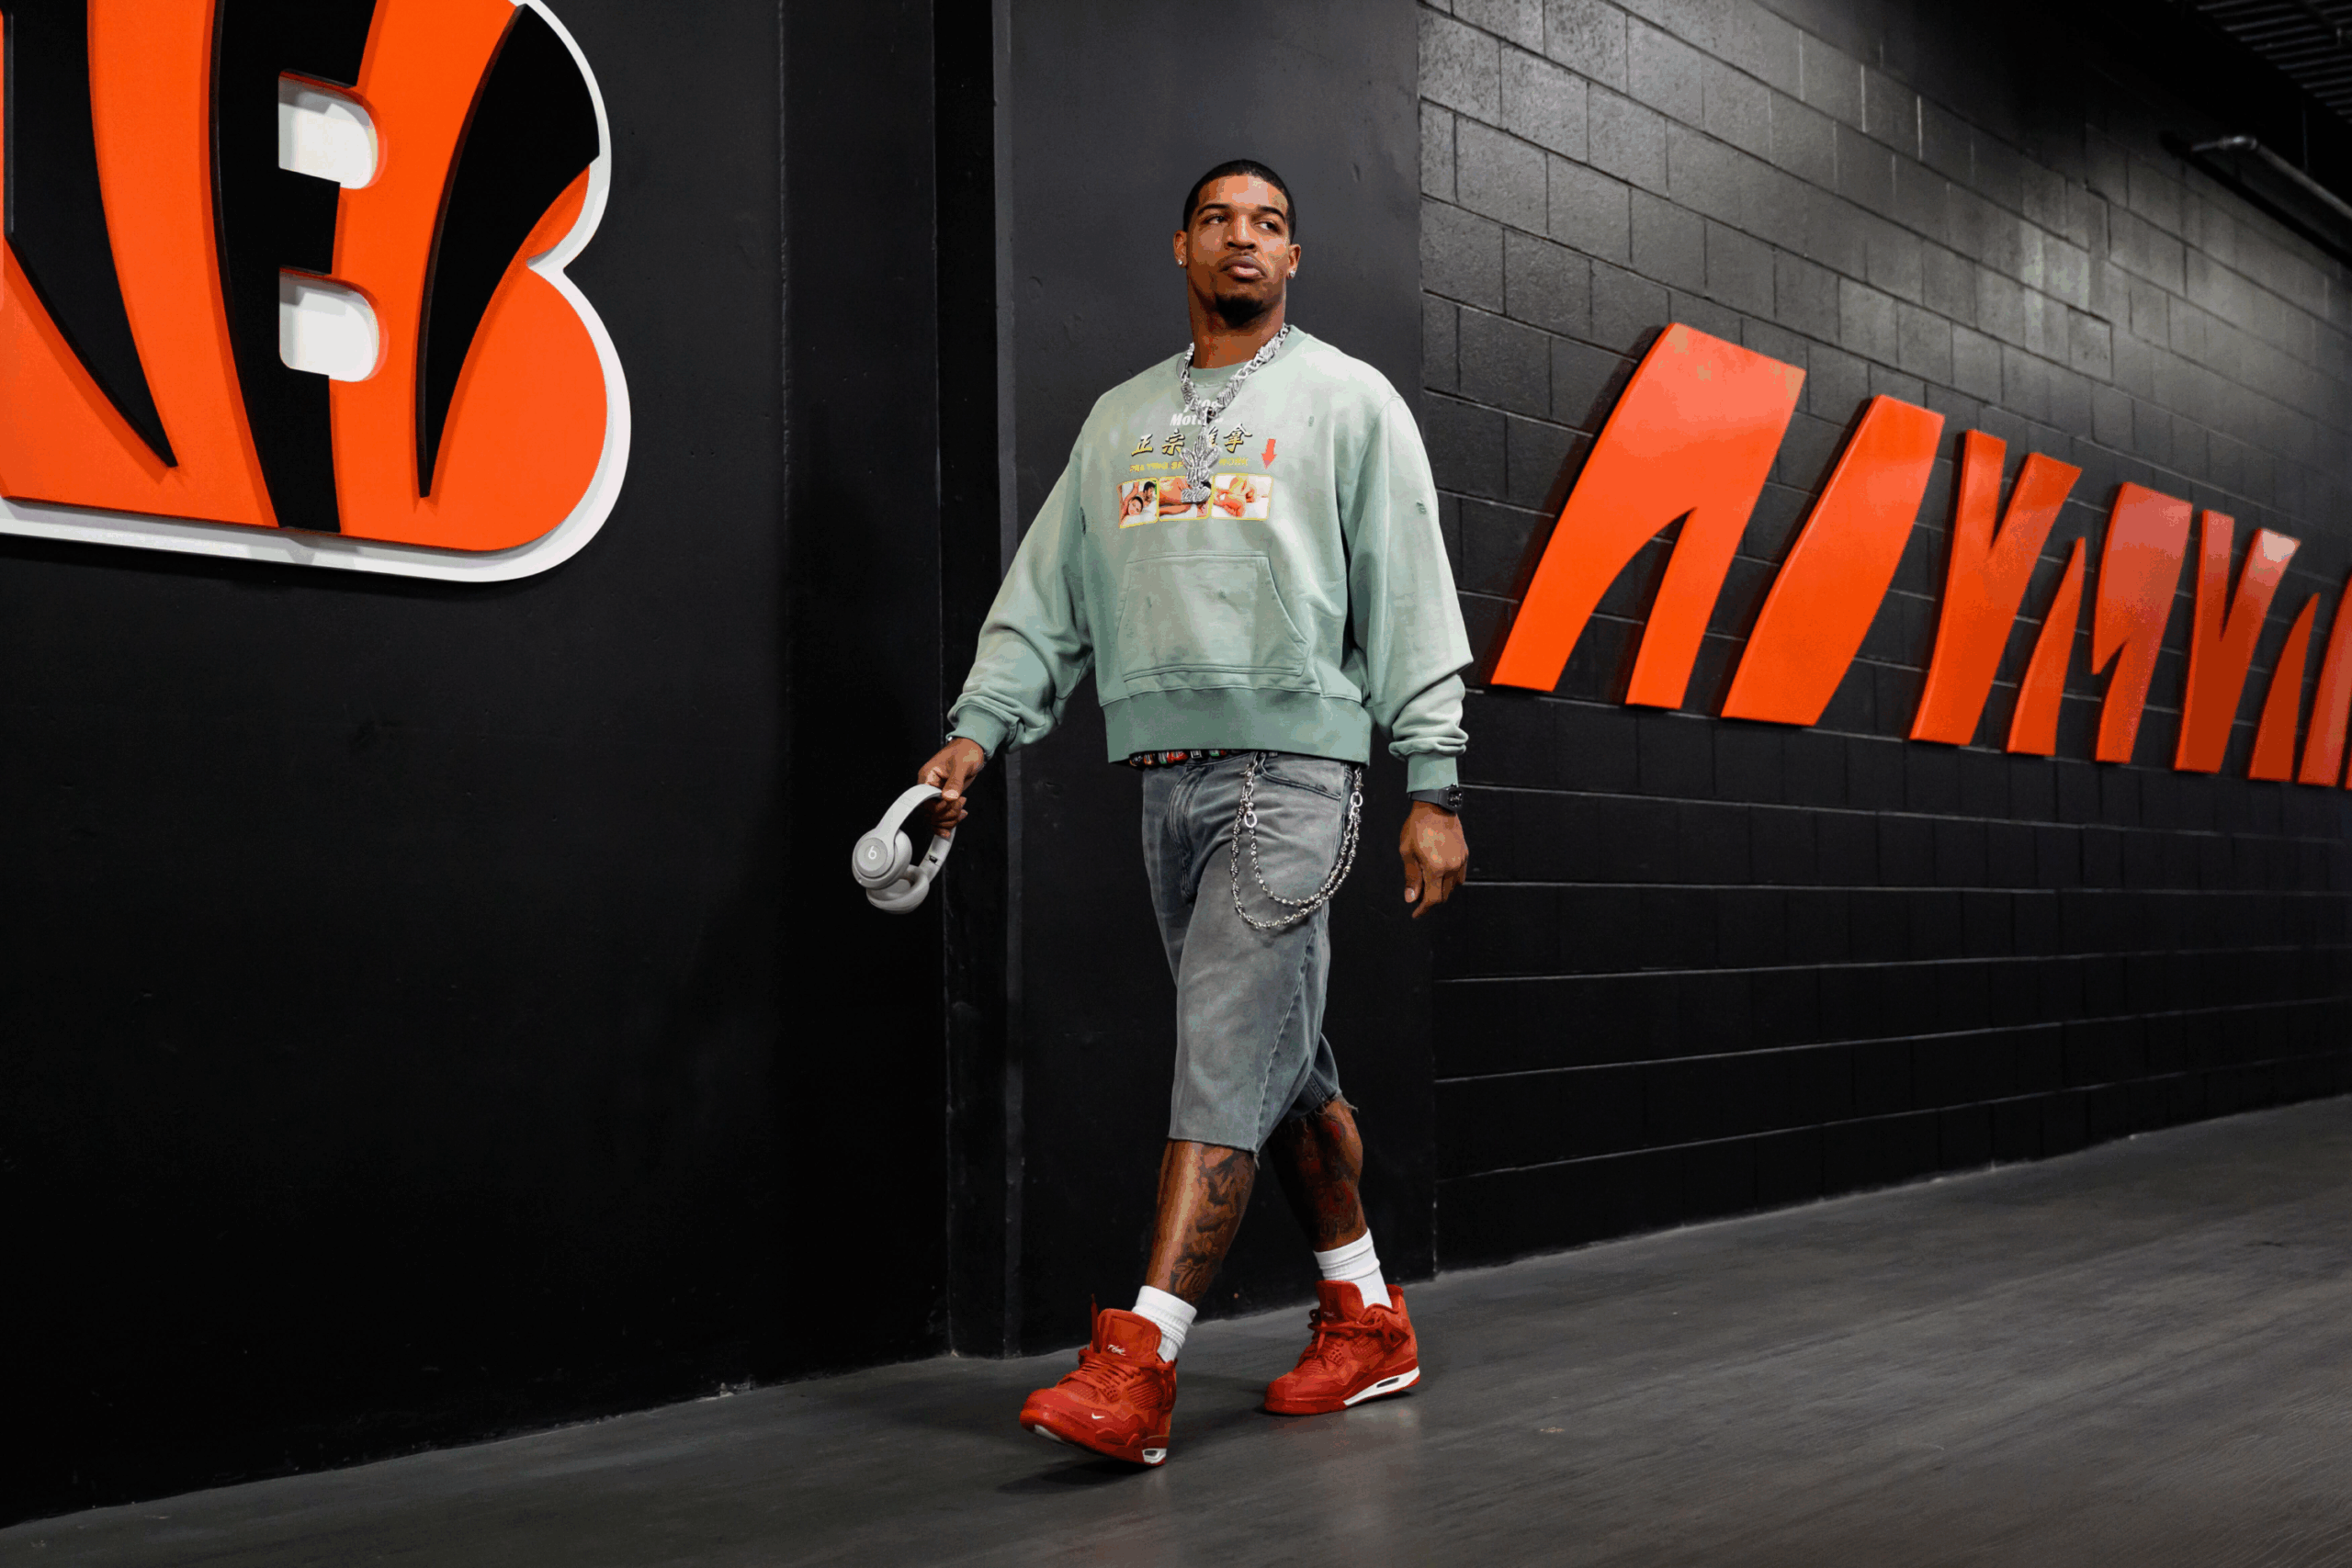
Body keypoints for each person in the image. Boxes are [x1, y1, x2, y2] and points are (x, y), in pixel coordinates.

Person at [915, 159, 1471, 1467]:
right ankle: (1368, 1317)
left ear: (1294, 259)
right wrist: (972, 734)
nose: (1244, 238)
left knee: (1224, 1047)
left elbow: (1409, 583)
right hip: (1166, 777)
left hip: (1296, 774)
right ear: (1180, 248)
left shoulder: (1347, 400)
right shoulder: (1120, 420)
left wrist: (1433, 777)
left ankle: (1142, 1357)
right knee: (1275, 1062)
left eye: (1269, 223)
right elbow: (1046, 593)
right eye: (1219, 219)